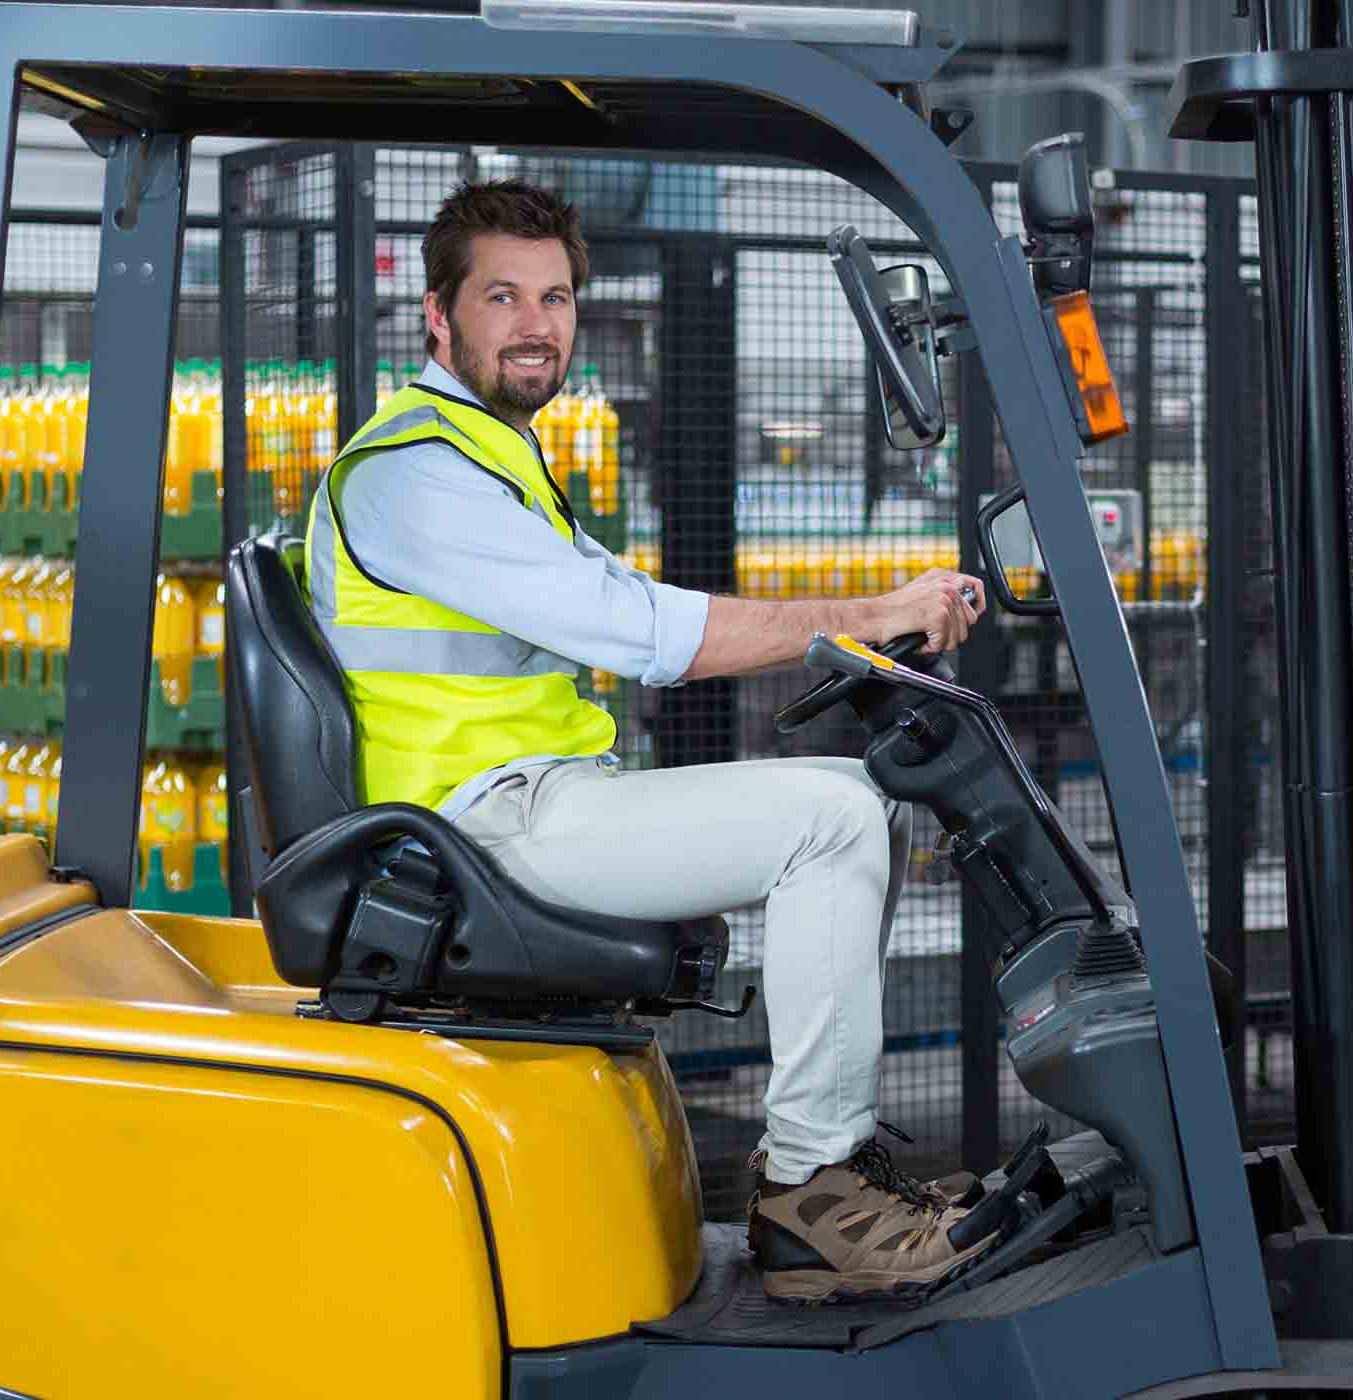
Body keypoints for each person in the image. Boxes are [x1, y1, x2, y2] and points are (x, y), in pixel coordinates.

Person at [307, 179, 995, 1303]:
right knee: (830, 818)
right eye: (502, 297)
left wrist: (859, 628)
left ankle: (826, 1165)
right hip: (478, 828)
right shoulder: (414, 474)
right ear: (439, 317)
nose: (537, 324)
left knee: (854, 792)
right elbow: (644, 631)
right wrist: (872, 614)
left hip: (521, 803)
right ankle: (813, 1188)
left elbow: (618, 602)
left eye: (557, 297)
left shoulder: (492, 453)